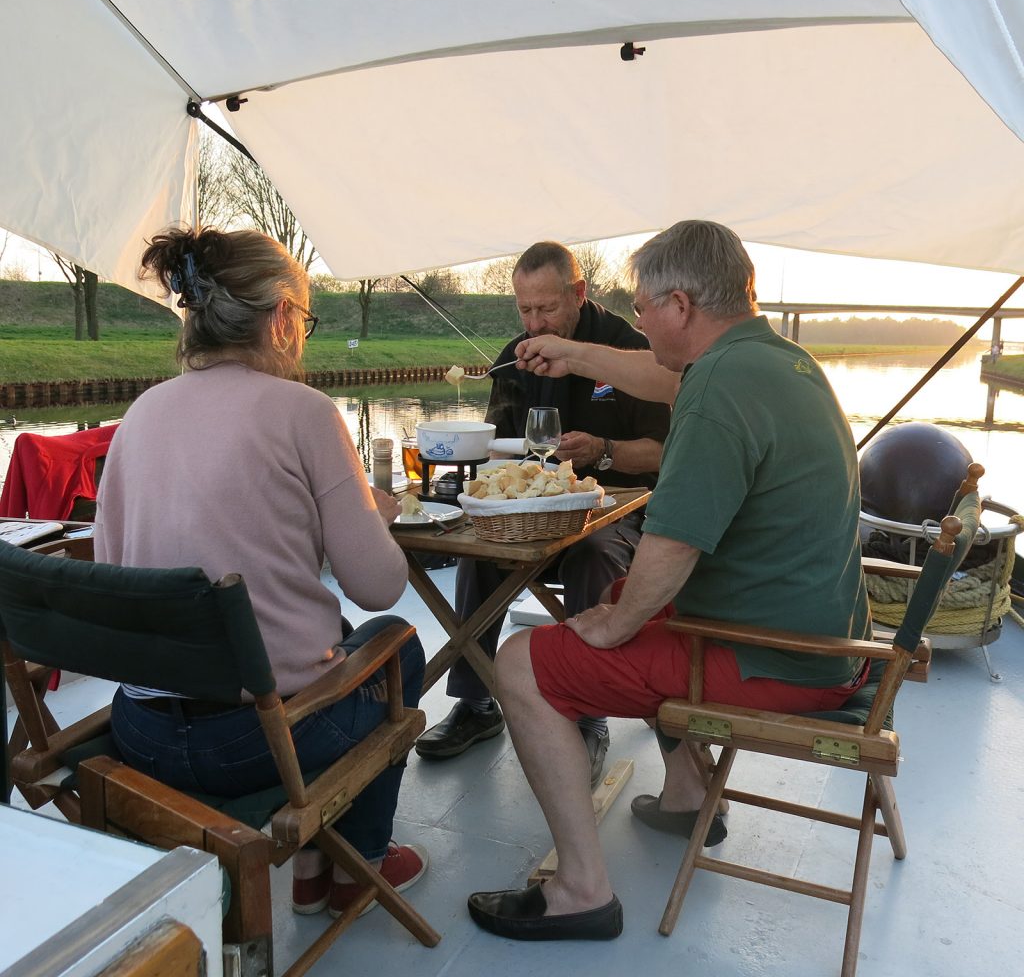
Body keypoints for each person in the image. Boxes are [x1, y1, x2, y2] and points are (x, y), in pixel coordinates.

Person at [466, 220, 870, 941]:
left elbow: (673, 543)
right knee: (626, 592)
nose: (640, 320)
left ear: (680, 305)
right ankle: (689, 795)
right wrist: (568, 350)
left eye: (646, 306)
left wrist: (612, 627)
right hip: (826, 637)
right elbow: (660, 376)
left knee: (522, 664)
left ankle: (580, 892)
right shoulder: (774, 359)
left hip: (772, 659)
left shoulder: (717, 389)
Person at [93, 226, 427, 921]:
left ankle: (312, 865)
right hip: (257, 745)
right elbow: (378, 586)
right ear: (280, 317)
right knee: (397, 638)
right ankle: (350, 864)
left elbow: (116, 572)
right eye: (303, 320)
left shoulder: (138, 416)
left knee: (327, 630)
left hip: (142, 732)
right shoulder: (304, 412)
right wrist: (374, 514)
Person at [414, 241, 670, 787]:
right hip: (536, 509)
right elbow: (496, 446)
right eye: (524, 310)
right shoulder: (516, 355)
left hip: (620, 509)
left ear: (578, 294)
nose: (534, 323)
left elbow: (668, 450)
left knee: (593, 552)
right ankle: (476, 702)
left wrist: (604, 449)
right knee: (481, 549)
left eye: (546, 309)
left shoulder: (633, 351)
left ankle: (586, 714)